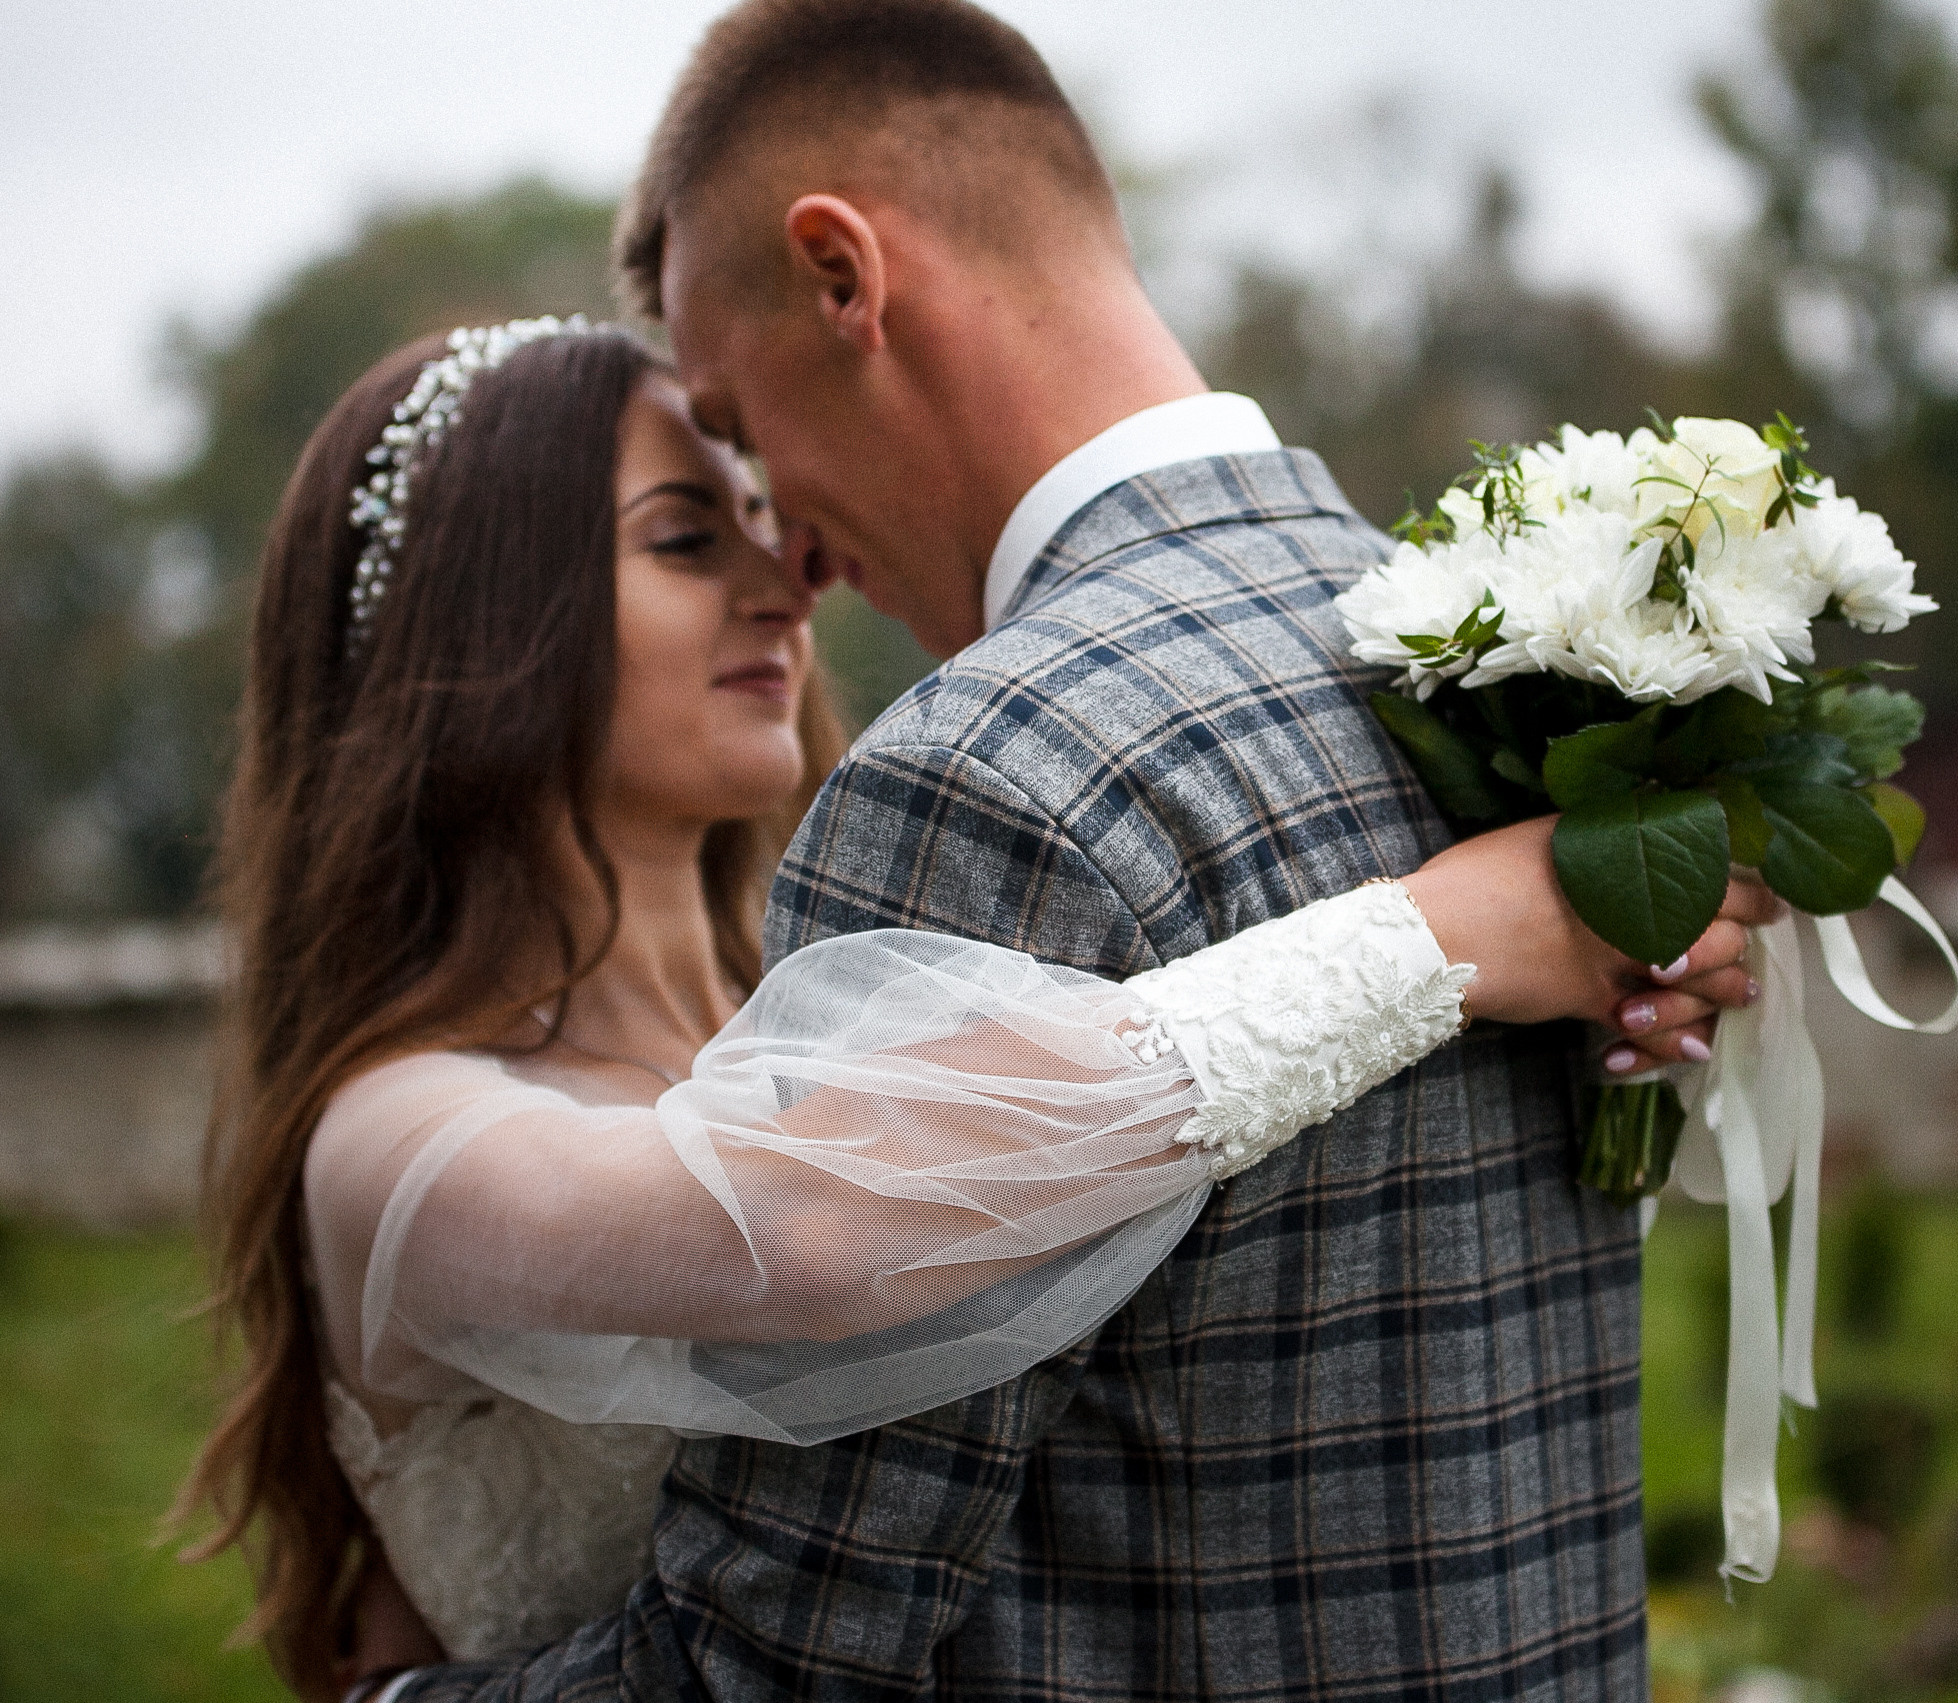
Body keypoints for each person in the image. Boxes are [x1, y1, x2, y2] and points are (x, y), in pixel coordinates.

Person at [339, 3, 1736, 1696]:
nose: (792, 556)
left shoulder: (991, 777)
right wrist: (1440, 939)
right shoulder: (1500, 667)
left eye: (739, 426)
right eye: (688, 520)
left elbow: (768, 1663)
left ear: (843, 278)